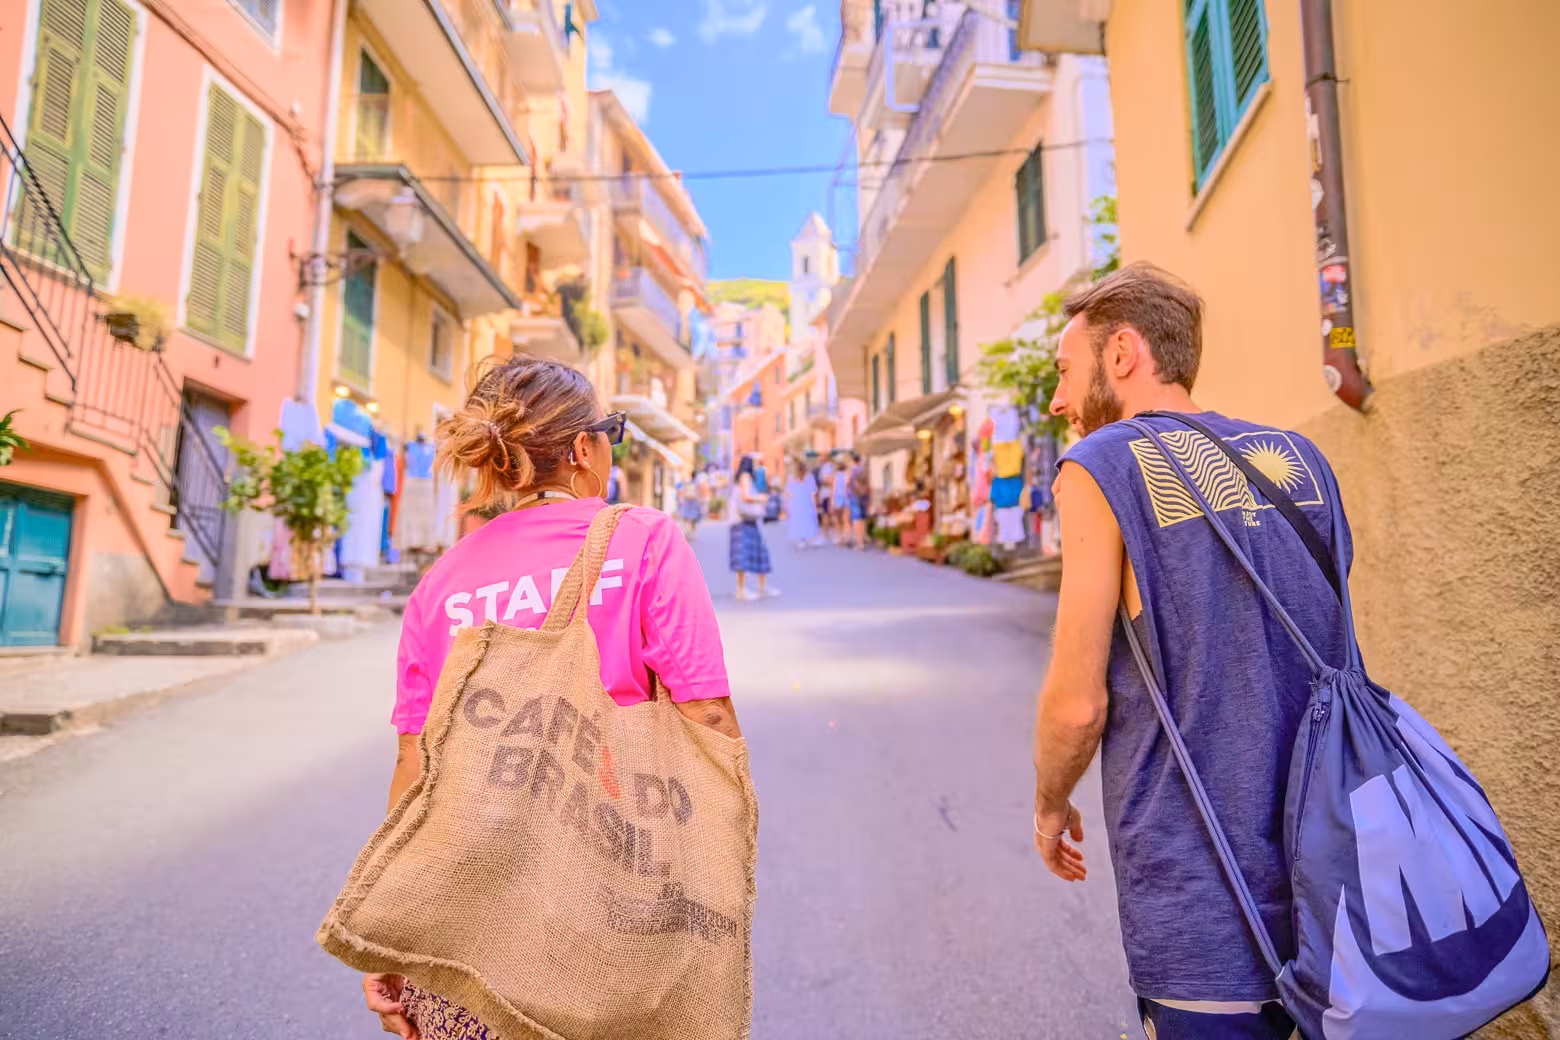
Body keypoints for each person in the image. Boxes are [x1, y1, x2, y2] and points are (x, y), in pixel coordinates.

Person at [363, 356, 741, 1040]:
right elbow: (707, 717)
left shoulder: (441, 581)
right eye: (612, 432)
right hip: (608, 896)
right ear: (580, 448)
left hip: (465, 913)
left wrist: (392, 935)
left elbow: (415, 767)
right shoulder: (644, 540)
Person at [1030, 263, 1352, 1040]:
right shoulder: (1303, 460)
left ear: (1123, 354)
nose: (1059, 401)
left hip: (1204, 900)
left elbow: (1078, 703)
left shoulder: (1102, 467)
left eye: (1067, 372)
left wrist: (1049, 802)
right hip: (1340, 882)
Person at [729, 456, 776, 601]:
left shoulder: (740, 478)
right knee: (751, 554)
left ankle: (751, 589)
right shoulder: (745, 477)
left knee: (753, 554)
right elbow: (745, 497)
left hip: (743, 521)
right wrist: (761, 499)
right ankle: (744, 590)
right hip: (745, 521)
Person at [785, 459, 821, 548]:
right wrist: (815, 504)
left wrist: (788, 504)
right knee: (809, 519)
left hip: (796, 502)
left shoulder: (791, 478)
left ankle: (802, 540)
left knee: (798, 520)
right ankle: (812, 538)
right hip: (806, 502)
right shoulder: (809, 477)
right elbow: (813, 492)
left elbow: (788, 493)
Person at [846, 453, 870, 550]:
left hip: (854, 496)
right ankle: (863, 538)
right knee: (863, 519)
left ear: (853, 461)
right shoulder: (864, 471)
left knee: (856, 519)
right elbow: (869, 485)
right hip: (864, 497)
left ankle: (859, 543)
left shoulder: (852, 471)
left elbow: (847, 484)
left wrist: (847, 494)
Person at [677, 470, 703, 538]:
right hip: (694, 501)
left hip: (688, 501)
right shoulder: (697, 483)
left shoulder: (688, 482)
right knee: (693, 517)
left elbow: (684, 491)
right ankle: (691, 530)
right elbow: (699, 492)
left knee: (687, 516)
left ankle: (688, 530)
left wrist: (684, 498)